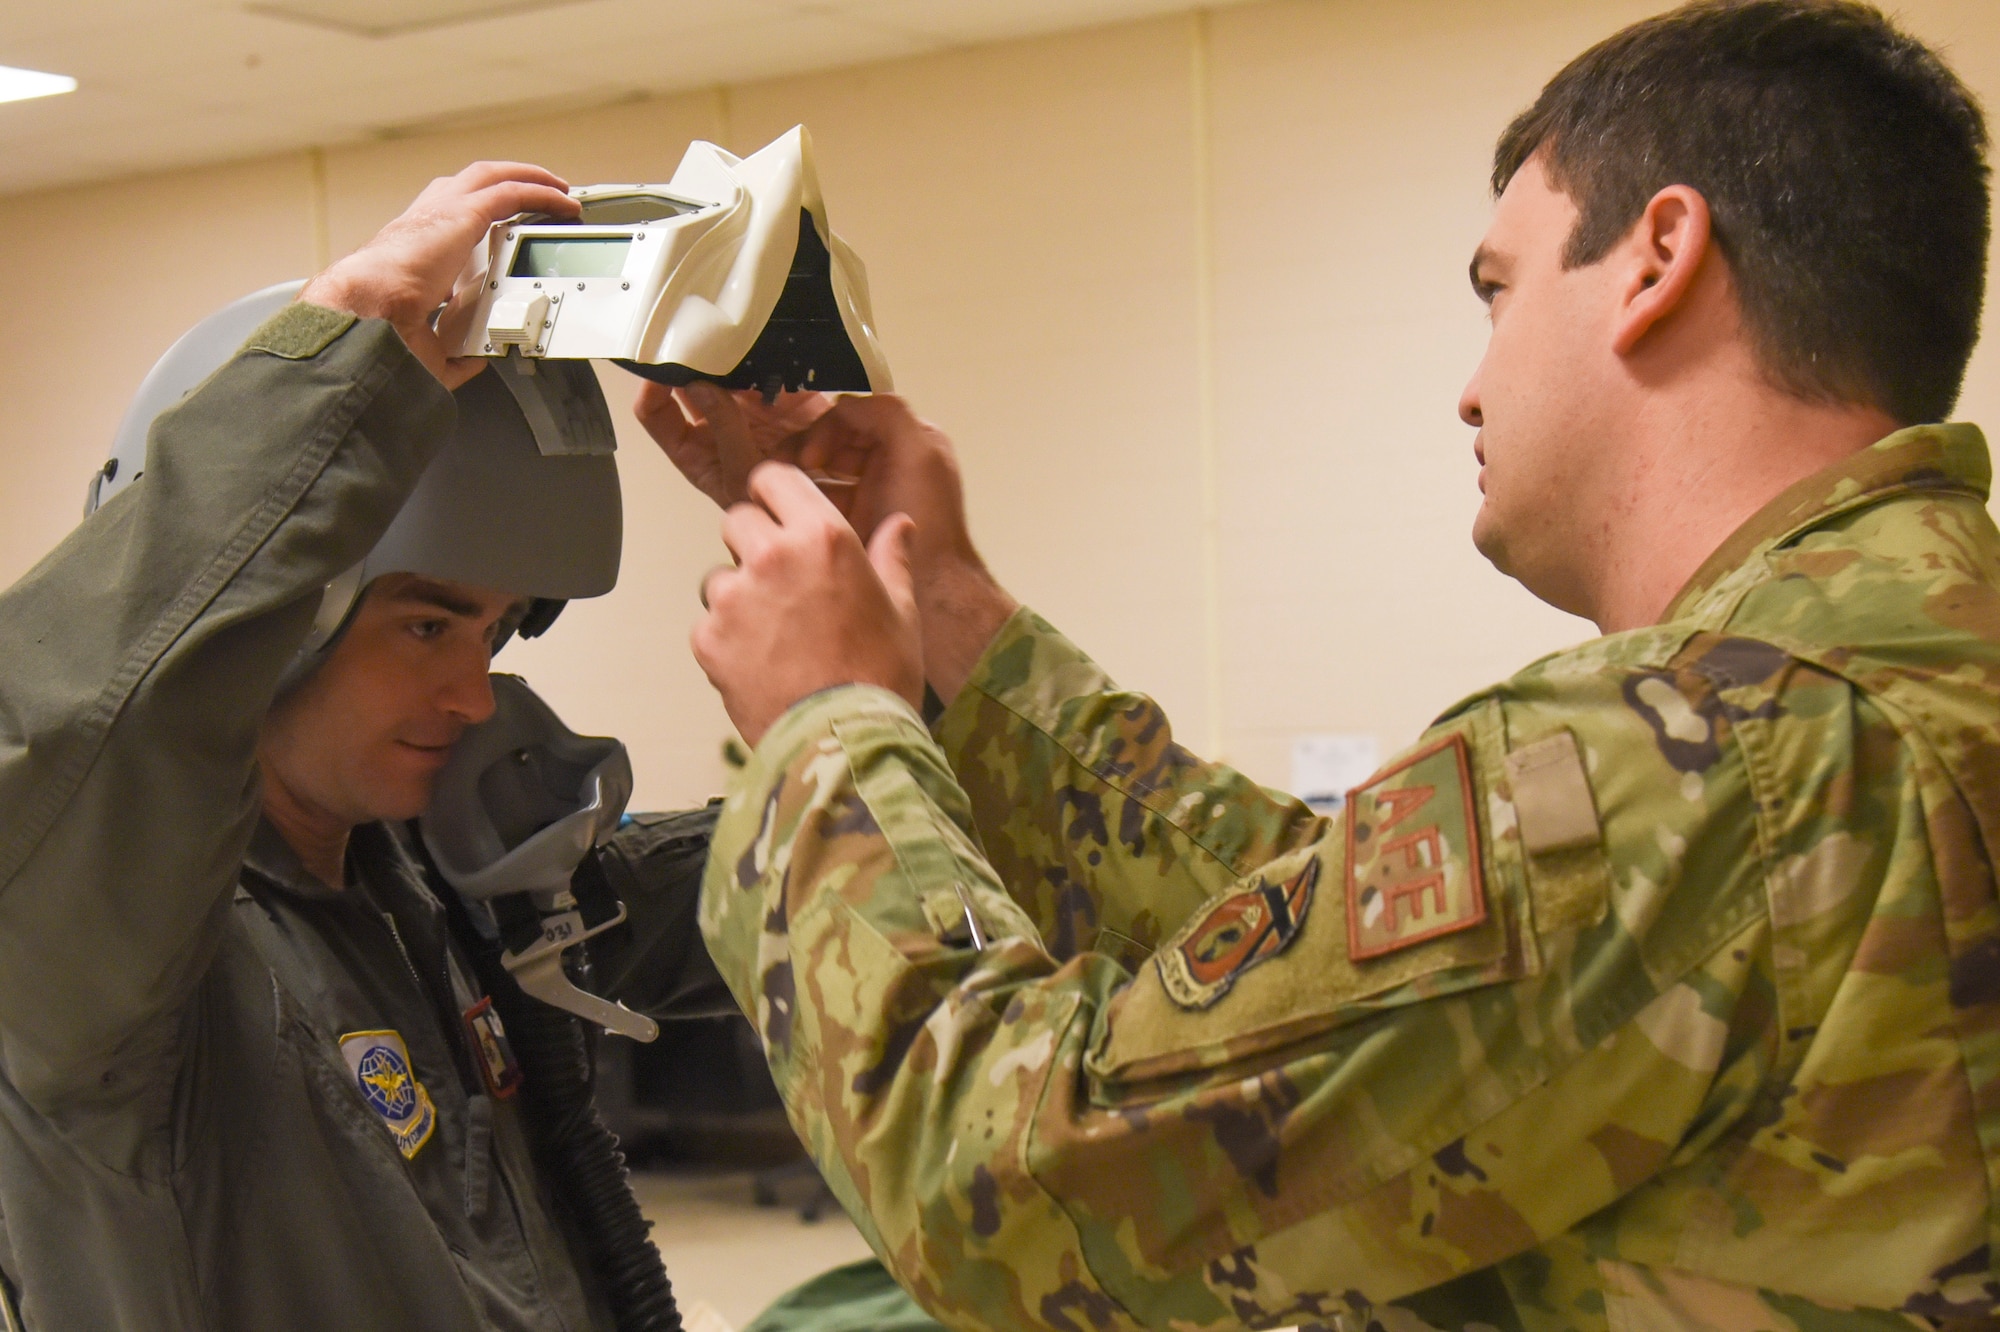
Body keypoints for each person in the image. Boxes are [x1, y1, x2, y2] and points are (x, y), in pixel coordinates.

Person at [646, 2, 2000, 1329]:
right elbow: (1327, 971)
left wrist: (827, 729)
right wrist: (951, 611)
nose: (1471, 387)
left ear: (1658, 259)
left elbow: (1017, 1194)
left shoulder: (1708, 753)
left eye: (1500, 289)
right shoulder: (1906, 673)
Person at [0, 165, 727, 1330]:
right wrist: (340, 372)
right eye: (428, 624)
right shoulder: (112, 967)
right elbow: (65, 732)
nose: (474, 695)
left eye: (493, 632)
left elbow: (777, 888)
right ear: (272, 613)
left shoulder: (432, 894)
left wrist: (915, 630)